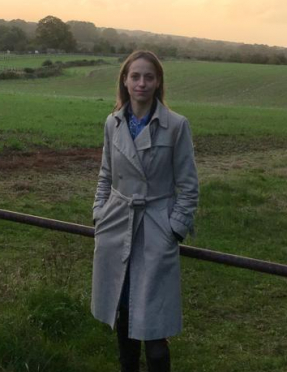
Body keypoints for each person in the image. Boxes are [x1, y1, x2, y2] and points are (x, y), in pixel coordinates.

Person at [91, 50, 200, 372]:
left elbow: (189, 185)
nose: (141, 83)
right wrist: (100, 212)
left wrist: (174, 229)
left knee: (154, 331)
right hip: (117, 224)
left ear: (158, 82)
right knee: (123, 315)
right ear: (124, 81)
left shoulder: (177, 126)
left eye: (148, 77)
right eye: (135, 76)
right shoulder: (112, 123)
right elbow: (105, 175)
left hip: (156, 230)